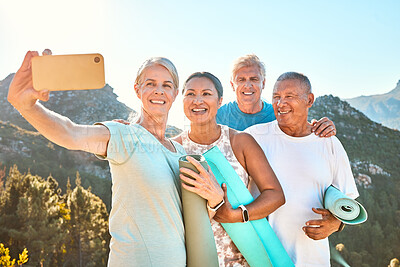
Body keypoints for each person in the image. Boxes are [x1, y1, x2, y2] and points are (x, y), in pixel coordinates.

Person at [8, 50, 187, 266]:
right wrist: (26, 106)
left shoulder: (180, 152)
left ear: (175, 93)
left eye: (166, 85)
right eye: (150, 83)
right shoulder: (124, 135)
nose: (159, 91)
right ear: (137, 90)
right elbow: (71, 133)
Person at [246, 72, 359, 266]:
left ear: (309, 100)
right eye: (276, 97)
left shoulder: (329, 142)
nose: (280, 103)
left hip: (314, 259)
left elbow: (347, 201)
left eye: (289, 96)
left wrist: (335, 224)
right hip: (262, 258)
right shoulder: (254, 137)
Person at [173, 72, 285, 266]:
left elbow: (275, 195)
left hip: (243, 258)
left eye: (206, 94)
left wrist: (238, 214)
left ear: (220, 101)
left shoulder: (240, 142)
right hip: (192, 259)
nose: (198, 101)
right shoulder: (173, 149)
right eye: (190, 94)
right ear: (182, 100)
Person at [217, 54, 335, 136]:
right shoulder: (218, 117)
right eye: (241, 80)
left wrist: (322, 128)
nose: (248, 85)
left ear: (263, 83)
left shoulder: (279, 114)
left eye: (254, 79)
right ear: (232, 85)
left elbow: (302, 133)